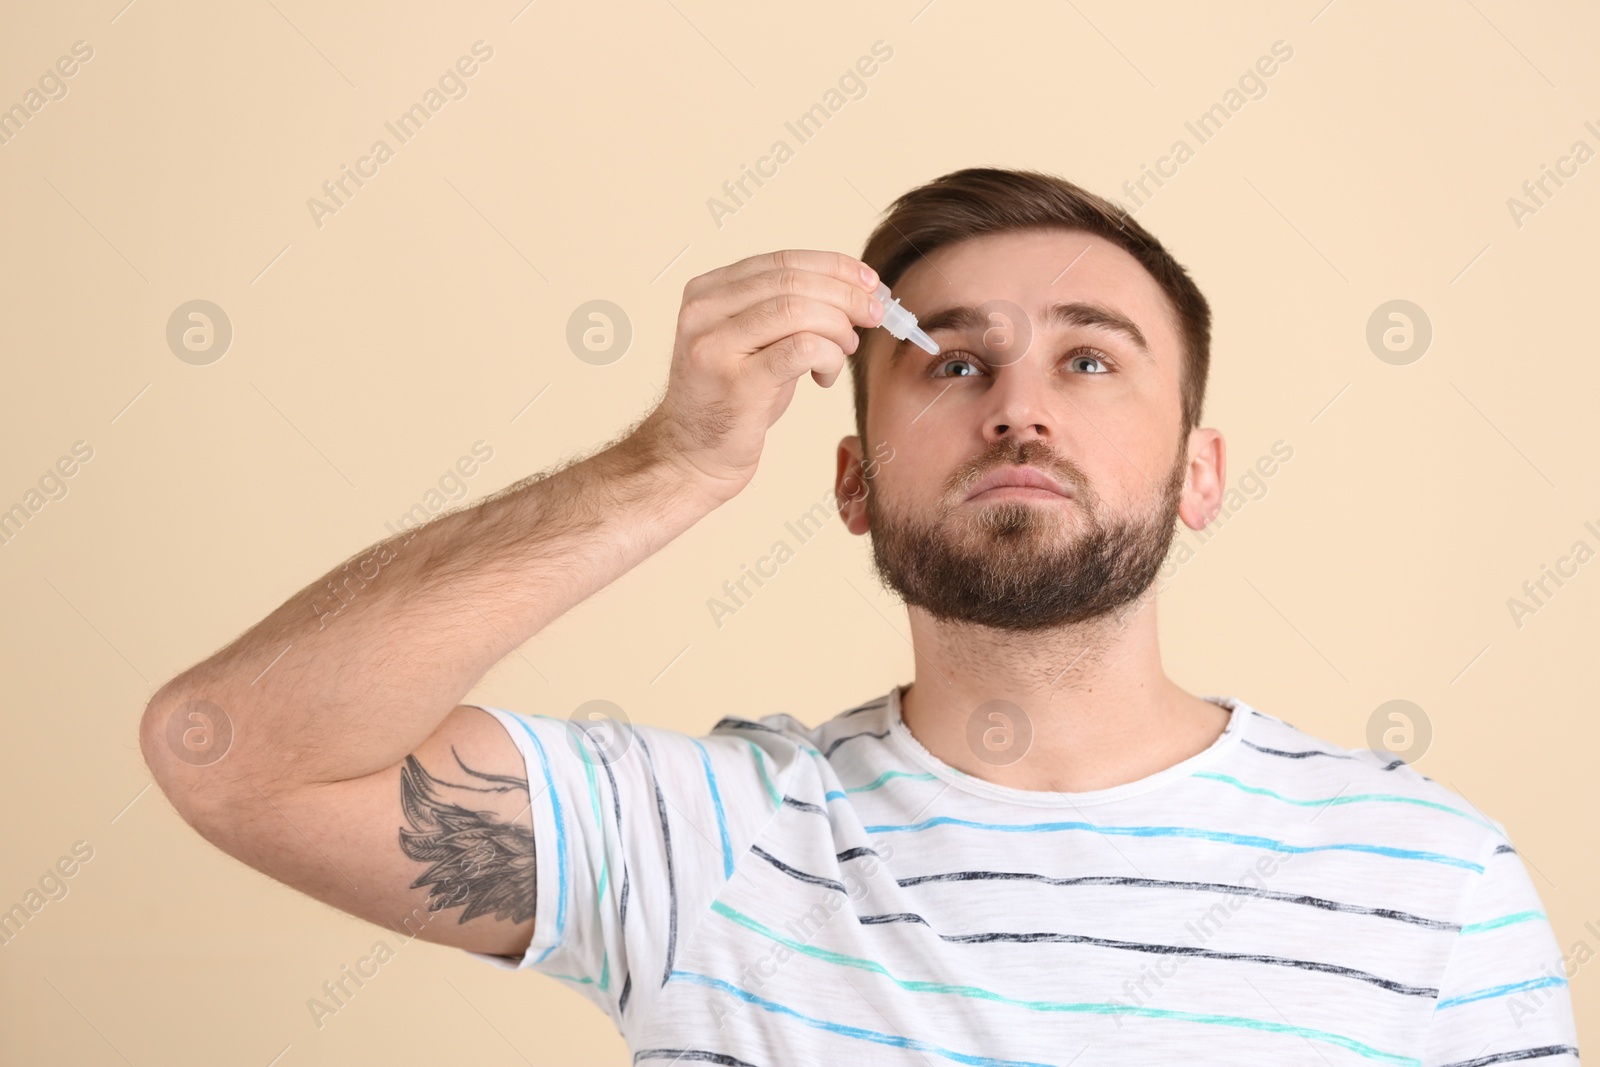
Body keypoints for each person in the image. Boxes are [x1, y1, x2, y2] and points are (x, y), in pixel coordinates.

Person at [140, 167, 1580, 1064]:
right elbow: (232, 754)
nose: (1019, 404)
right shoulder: (701, 840)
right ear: (852, 481)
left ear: (1200, 474)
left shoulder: (1429, 873)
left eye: (1090, 363)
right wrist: (669, 464)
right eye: (951, 366)